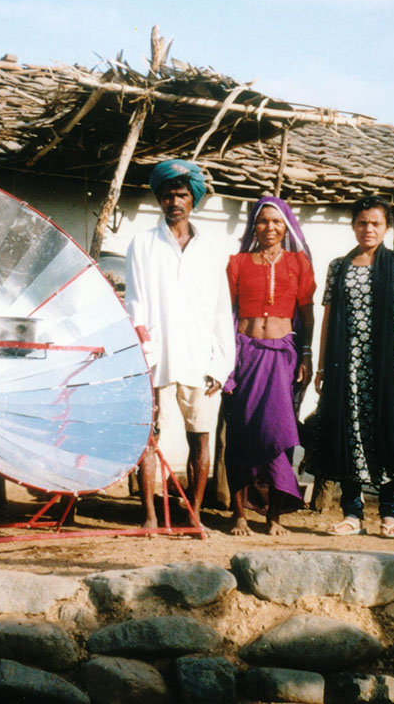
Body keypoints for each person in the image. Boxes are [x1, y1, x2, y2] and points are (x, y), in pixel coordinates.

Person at [125, 159, 234, 530]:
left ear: (194, 200)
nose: (175, 202)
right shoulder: (142, 244)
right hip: (157, 359)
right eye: (168, 195)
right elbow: (136, 304)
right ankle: (151, 516)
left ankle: (194, 516)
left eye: (183, 195)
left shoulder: (211, 249)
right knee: (148, 438)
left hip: (201, 361)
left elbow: (221, 310)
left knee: (200, 437)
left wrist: (220, 364)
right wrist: (144, 356)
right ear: (159, 199)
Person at [314, 195, 394, 539]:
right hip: (347, 366)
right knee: (350, 433)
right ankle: (352, 514)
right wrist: (321, 367)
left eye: (376, 222)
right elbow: (328, 320)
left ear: (387, 227)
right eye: (362, 222)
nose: (368, 229)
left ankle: (390, 514)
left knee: (392, 431)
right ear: (353, 226)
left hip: (390, 365)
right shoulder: (339, 266)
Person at [224, 197, 315, 535]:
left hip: (281, 357)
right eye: (262, 221)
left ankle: (273, 517)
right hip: (244, 354)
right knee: (241, 432)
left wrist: (305, 354)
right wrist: (226, 361)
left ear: (286, 226)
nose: (270, 228)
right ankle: (240, 515)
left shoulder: (298, 263)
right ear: (254, 226)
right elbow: (227, 314)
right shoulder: (238, 262)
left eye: (277, 222)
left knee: (277, 433)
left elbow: (307, 315)